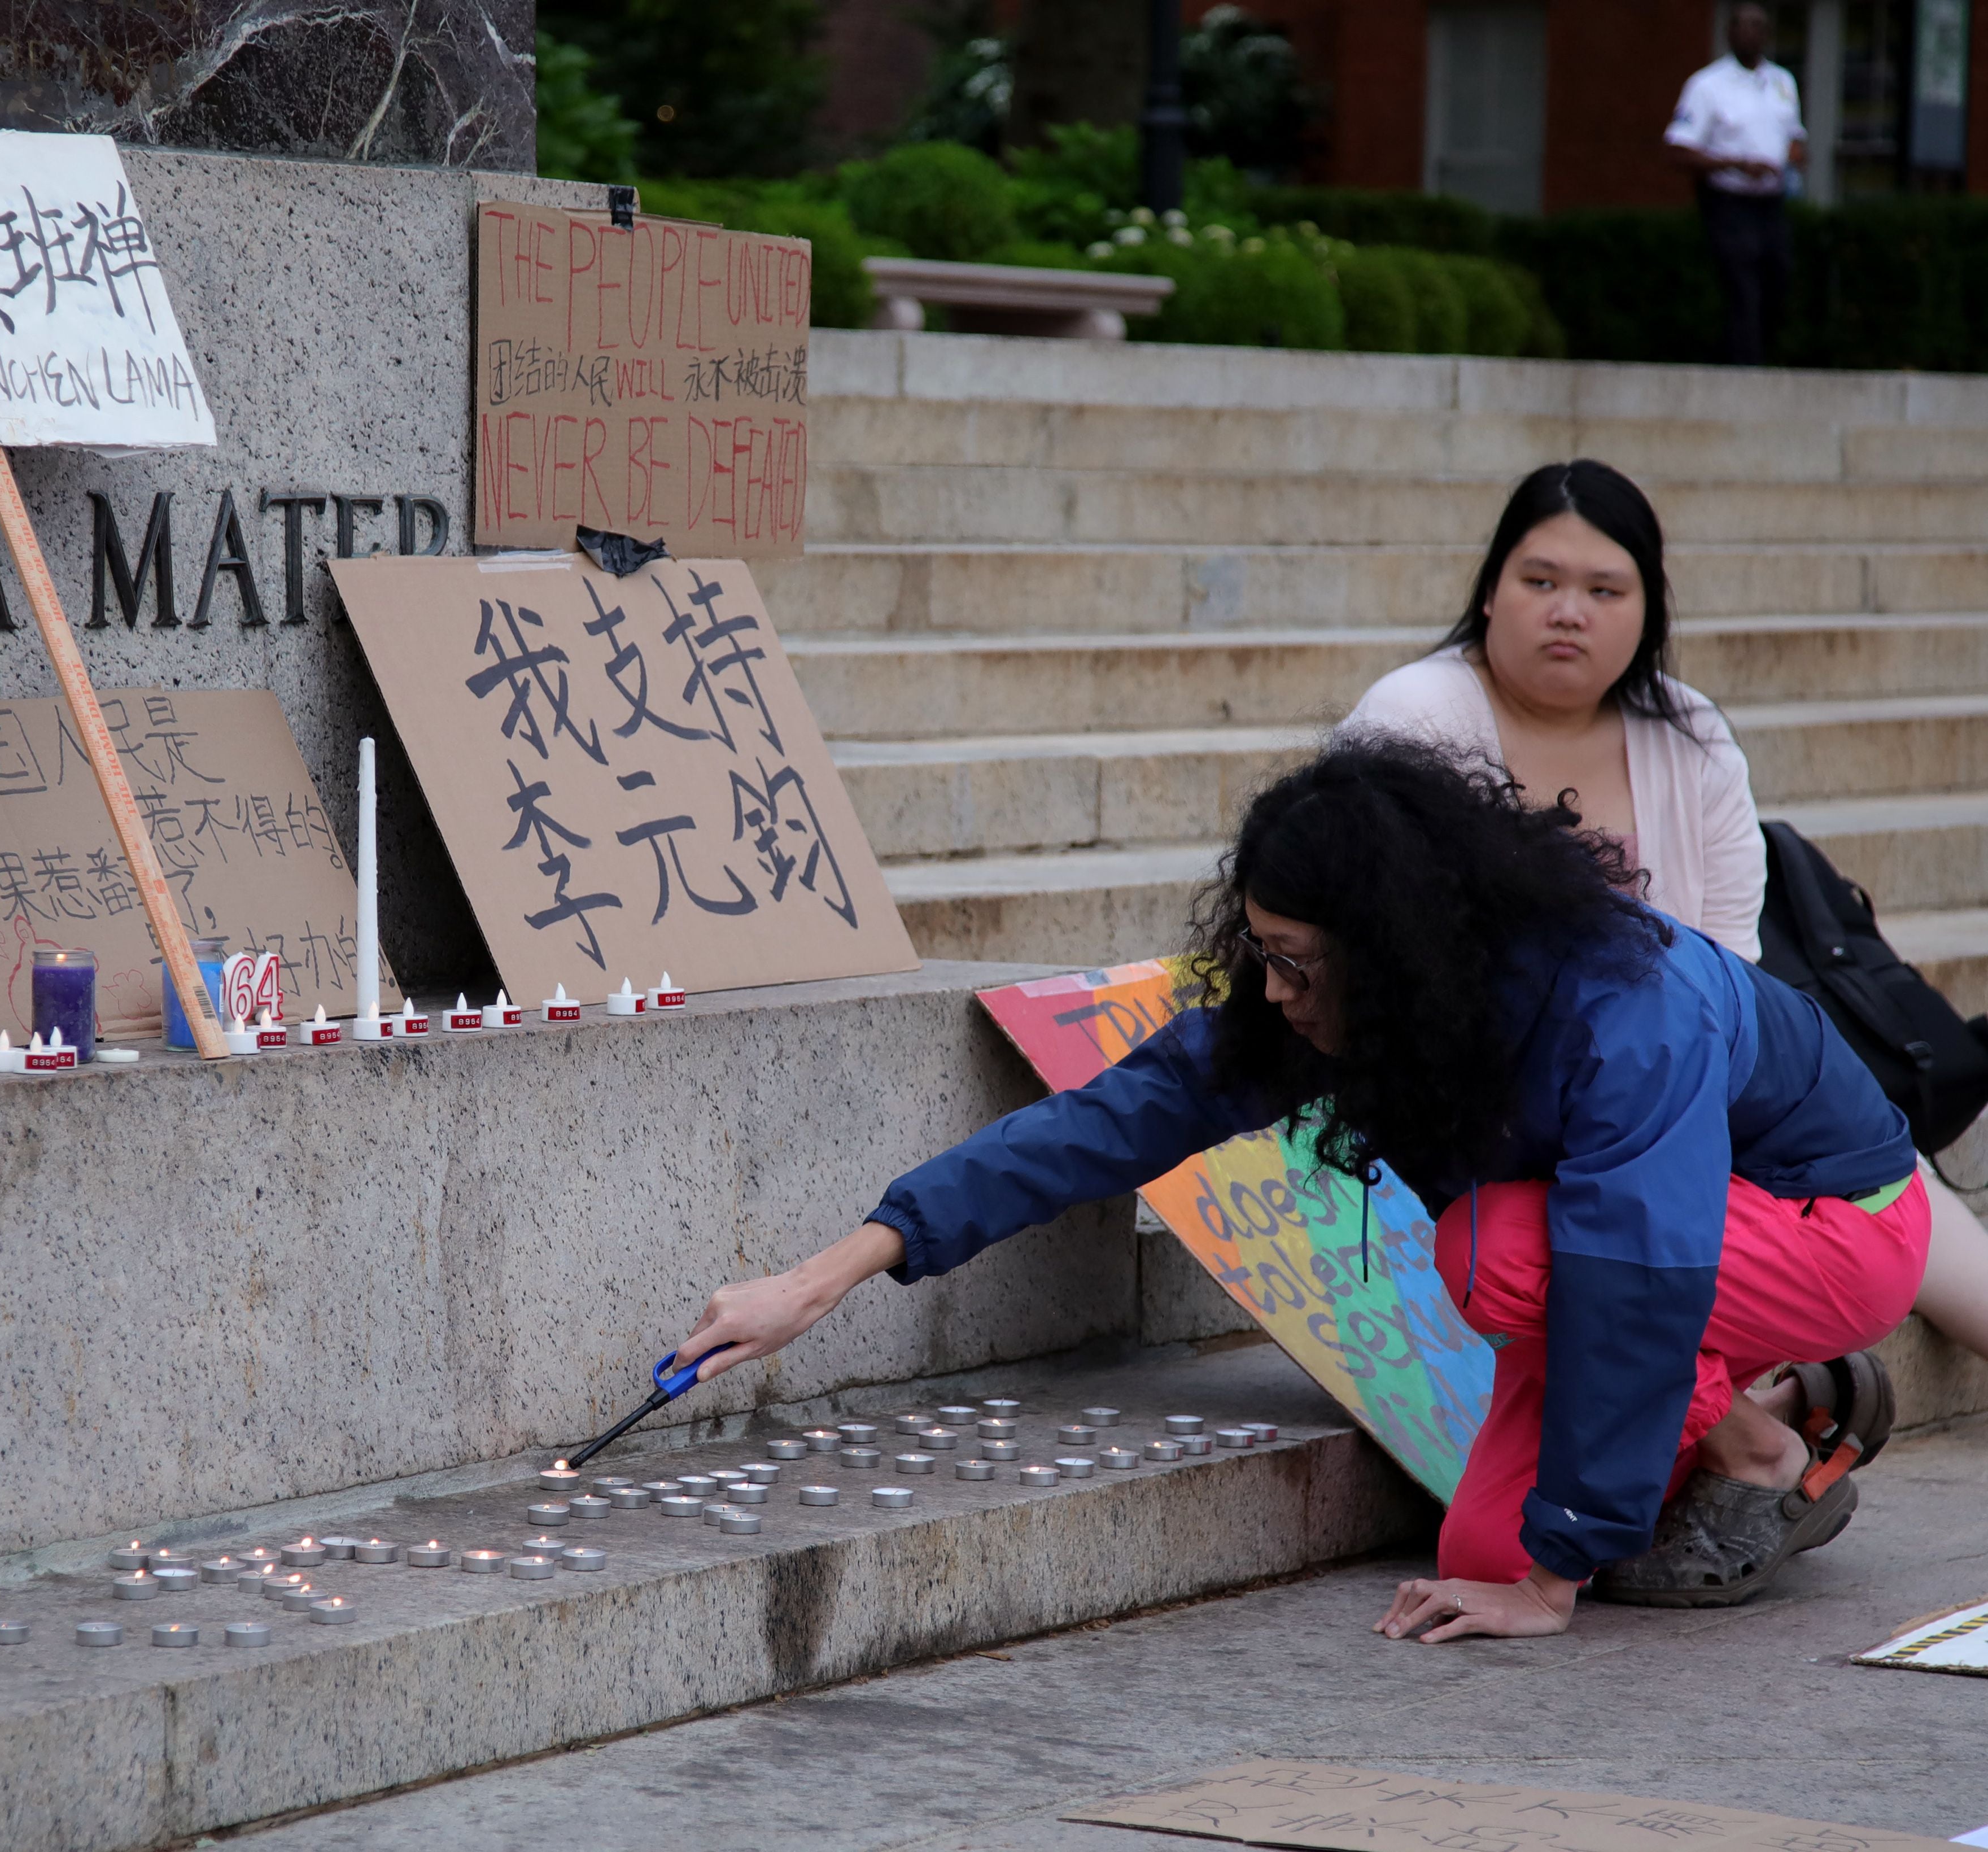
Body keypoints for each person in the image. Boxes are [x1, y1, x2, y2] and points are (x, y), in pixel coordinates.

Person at [675, 741, 1929, 1639]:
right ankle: (1805, 1401)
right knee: (1477, 1550)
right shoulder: (1345, 1002)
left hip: (1839, 1223)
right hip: (1609, 1252)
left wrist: (1554, 1586)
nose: (1272, 992)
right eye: (1260, 953)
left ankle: (1764, 1441)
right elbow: (1111, 1120)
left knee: (1495, 1270)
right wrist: (828, 1272)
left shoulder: (1625, 1010)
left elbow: (1640, 1277)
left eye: (1294, 963)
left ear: (1394, 951)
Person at [1342, 460, 1988, 1368]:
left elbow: (1729, 968)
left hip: (1679, 1089)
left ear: (1648, 612)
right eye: (1540, 582)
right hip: (1485, 1118)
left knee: (1880, 1183)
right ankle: (1781, 1410)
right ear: (1490, 594)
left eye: (1605, 588)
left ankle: (1804, 1395)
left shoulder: (1691, 734)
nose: (1569, 610)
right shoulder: (1410, 722)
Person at [1666, 3, 1805, 365]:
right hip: (1727, 200)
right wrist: (1739, 164)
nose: (1752, 34)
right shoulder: (1707, 86)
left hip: (1771, 201)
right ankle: (1745, 369)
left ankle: (1753, 356)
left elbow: (1794, 136)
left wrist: (1789, 157)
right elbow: (1680, 150)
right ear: (1730, 33)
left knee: (1779, 276)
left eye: (1759, 27)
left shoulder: (1782, 82)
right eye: (1744, 26)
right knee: (1742, 282)